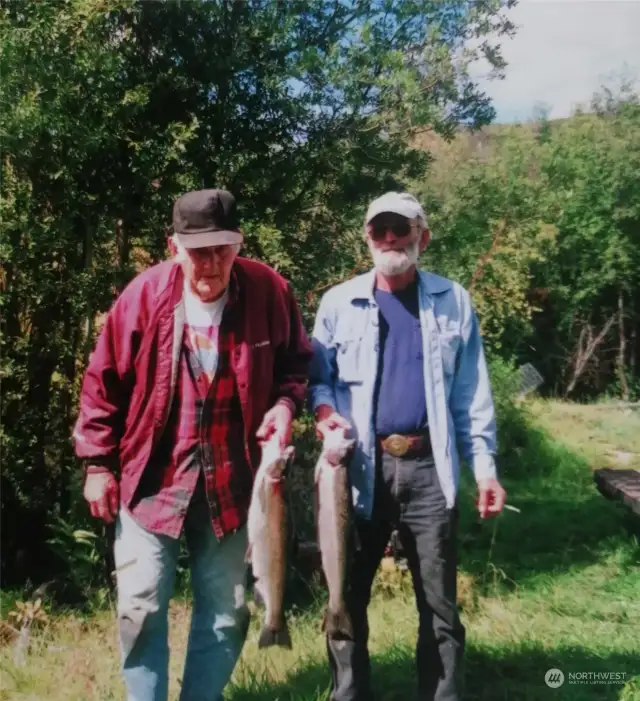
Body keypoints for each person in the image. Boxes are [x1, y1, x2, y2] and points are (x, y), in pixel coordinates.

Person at [73, 188, 313, 701]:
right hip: (152, 479)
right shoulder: (144, 295)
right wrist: (97, 463)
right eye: (197, 250)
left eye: (221, 250)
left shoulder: (269, 292)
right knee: (140, 606)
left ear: (238, 244)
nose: (209, 263)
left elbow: (298, 365)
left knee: (227, 613)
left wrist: (285, 406)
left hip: (234, 483)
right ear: (173, 246)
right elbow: (102, 381)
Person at [308, 191, 507, 701]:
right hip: (358, 473)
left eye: (402, 229)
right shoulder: (337, 302)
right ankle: (348, 694)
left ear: (423, 235)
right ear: (368, 238)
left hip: (428, 470)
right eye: (381, 230)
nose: (391, 239)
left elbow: (471, 393)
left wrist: (484, 469)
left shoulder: (453, 300)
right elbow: (319, 380)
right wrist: (325, 413)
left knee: (439, 604)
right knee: (347, 595)